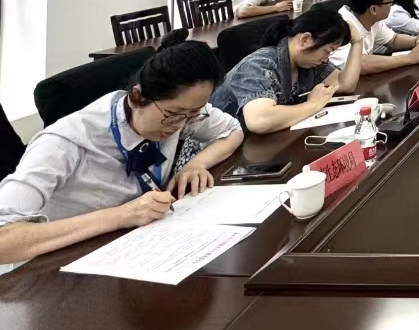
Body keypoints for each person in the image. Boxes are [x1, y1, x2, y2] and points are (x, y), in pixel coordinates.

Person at [0, 31, 243, 267]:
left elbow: (232, 131)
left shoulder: (180, 110)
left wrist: (195, 165)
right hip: (55, 266)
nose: (180, 125)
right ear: (137, 97)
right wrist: (121, 215)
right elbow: (3, 239)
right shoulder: (63, 144)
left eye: (192, 114)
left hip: (135, 248)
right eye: (173, 115)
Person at [211, 8, 361, 133]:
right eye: (327, 51)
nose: (326, 59)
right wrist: (313, 105)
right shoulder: (259, 64)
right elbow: (259, 120)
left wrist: (358, 42)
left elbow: (344, 84)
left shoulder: (307, 60)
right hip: (219, 147)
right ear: (305, 40)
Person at [329, 0, 419, 71]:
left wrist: (416, 40)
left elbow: (393, 40)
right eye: (390, 1)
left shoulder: (370, 18)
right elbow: (359, 63)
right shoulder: (342, 26)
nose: (391, 5)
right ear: (373, 9)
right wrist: (409, 58)